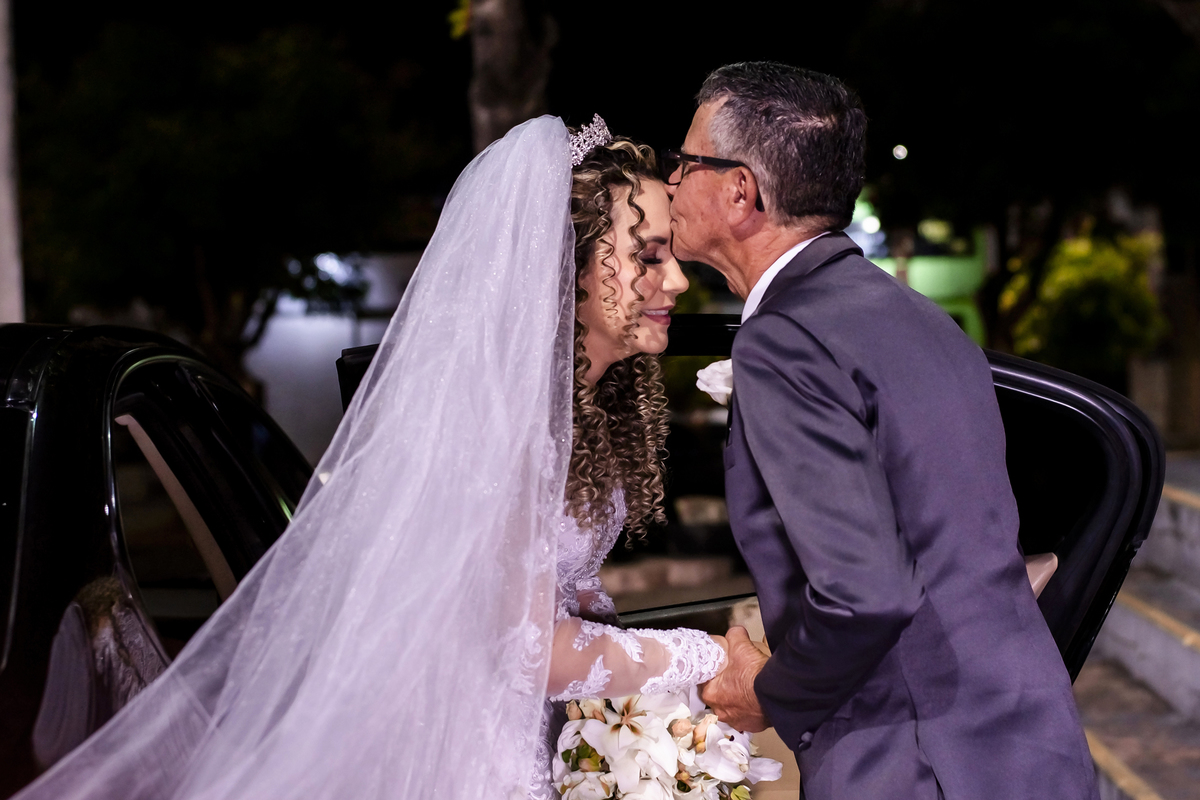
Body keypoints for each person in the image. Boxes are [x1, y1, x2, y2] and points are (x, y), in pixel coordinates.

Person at [13, 115, 726, 800]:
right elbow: (528, 646)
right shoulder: (508, 426)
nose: (674, 283)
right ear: (568, 265)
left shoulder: (580, 411)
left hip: (525, 732)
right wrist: (702, 657)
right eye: (648, 255)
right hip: (467, 752)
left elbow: (557, 587)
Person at [668, 63, 1099, 799]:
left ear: (740, 190)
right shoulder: (914, 315)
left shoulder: (783, 338)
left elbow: (865, 592)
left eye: (685, 163)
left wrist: (768, 691)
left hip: (915, 761)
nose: (671, 180)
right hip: (1027, 740)